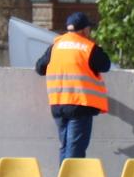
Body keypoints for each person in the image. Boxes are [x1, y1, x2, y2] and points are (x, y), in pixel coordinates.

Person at [36, 11, 111, 164]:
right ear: (84, 30)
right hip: (79, 104)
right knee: (75, 150)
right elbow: (105, 65)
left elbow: (39, 68)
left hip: (58, 105)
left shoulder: (55, 46)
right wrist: (99, 48)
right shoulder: (88, 47)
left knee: (65, 147)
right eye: (89, 29)